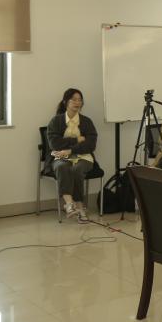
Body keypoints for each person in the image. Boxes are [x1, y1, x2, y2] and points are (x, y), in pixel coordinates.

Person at [46, 88, 98, 223]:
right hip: (60, 156)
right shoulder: (56, 121)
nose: (77, 102)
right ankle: (69, 204)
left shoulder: (87, 122)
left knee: (77, 169)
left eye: (80, 100)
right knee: (62, 167)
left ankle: (79, 206)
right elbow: (54, 144)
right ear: (65, 102)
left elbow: (90, 145)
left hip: (83, 157)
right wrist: (77, 140)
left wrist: (70, 150)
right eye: (74, 100)